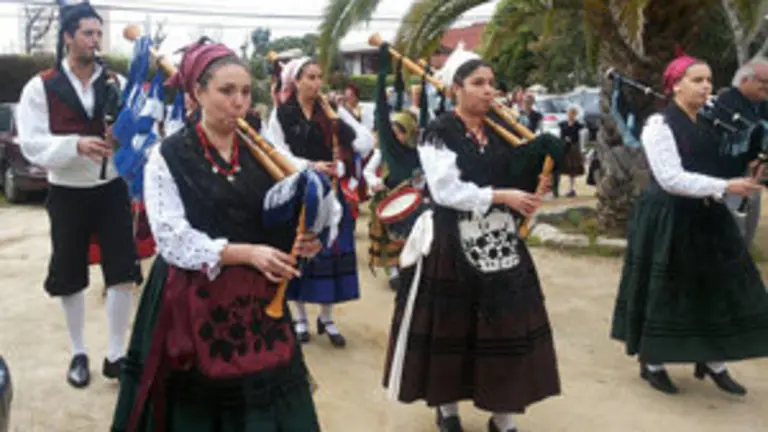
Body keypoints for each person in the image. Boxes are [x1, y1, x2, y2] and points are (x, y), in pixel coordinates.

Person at [110, 40, 322, 431]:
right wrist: (245, 253)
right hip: (189, 292)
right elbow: (171, 237)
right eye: (226, 91)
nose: (239, 102)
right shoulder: (168, 155)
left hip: (258, 300)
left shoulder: (261, 150)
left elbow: (301, 204)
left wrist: (306, 237)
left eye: (244, 92)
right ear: (197, 93)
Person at [382, 46, 561, 432]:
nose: (488, 91)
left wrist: (532, 188)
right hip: (450, 241)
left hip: (500, 240)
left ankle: (504, 416)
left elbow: (516, 182)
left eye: (492, 84)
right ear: (456, 89)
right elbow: (446, 190)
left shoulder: (500, 132)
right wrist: (502, 196)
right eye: (478, 83)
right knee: (451, 327)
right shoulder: (437, 133)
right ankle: (447, 411)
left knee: (506, 327)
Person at [610, 53, 768, 396]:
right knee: (667, 290)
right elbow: (671, 178)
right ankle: (652, 362)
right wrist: (725, 186)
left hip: (708, 215)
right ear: (675, 85)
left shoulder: (712, 122)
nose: (706, 86)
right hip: (668, 215)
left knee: (716, 285)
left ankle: (713, 360)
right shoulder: (659, 125)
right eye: (697, 80)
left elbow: (720, 164)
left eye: (709, 80)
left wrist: (747, 169)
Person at [16, 3, 141, 389]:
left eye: (98, 34)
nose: (94, 40)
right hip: (68, 191)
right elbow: (31, 144)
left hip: (111, 187)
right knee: (70, 272)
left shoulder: (115, 82)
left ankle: (117, 354)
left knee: (122, 270)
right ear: (68, 36)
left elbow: (135, 130)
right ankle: (78, 352)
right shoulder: (41, 85)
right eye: (87, 33)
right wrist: (75, 145)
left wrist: (124, 138)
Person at [266, 57, 374, 347]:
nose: (316, 83)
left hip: (332, 187)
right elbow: (275, 149)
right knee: (301, 251)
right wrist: (309, 165)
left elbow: (365, 141)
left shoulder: (332, 110)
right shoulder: (282, 113)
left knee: (331, 251)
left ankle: (327, 318)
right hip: (300, 186)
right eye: (309, 77)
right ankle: (300, 318)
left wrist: (343, 150)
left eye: (318, 77)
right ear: (296, 81)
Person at [364, 45, 423, 291]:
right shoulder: (387, 149)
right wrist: (384, 73)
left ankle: (414, 271)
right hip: (391, 199)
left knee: (417, 239)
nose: (396, 134)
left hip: (417, 201)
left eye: (402, 130)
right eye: (395, 130)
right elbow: (382, 111)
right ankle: (397, 272)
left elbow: (425, 113)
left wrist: (420, 75)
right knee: (394, 240)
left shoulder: (421, 149)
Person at [717, 60, 768, 246]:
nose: (767, 87)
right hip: (730, 178)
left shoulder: (761, 104)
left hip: (752, 176)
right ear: (746, 80)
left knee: (746, 233)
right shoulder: (728, 103)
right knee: (733, 233)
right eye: (764, 81)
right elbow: (748, 135)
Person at [558, 105, 586, 197]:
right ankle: (557, 189)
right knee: (562, 168)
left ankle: (572, 188)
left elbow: (581, 137)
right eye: (570, 113)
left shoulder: (579, 125)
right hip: (565, 147)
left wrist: (582, 149)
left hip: (574, 148)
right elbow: (560, 136)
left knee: (573, 169)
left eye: (573, 113)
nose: (571, 115)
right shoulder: (562, 124)